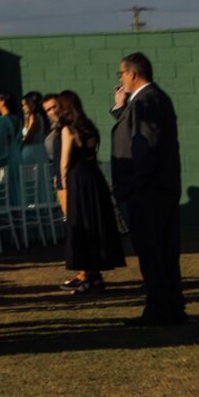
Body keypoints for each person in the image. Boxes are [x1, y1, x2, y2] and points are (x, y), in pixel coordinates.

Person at [110, 52, 187, 326]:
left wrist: (132, 184)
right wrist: (121, 108)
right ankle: (171, 308)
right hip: (156, 189)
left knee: (154, 253)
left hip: (149, 191)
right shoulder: (146, 100)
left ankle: (160, 310)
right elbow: (133, 133)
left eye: (121, 73)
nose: (120, 79)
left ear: (132, 73)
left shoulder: (147, 100)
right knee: (162, 253)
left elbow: (145, 146)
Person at [54, 90, 124, 296]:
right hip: (94, 178)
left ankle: (90, 276)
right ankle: (95, 276)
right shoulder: (89, 127)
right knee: (96, 224)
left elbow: (65, 161)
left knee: (83, 226)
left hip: (78, 180)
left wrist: (63, 184)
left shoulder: (68, 129)